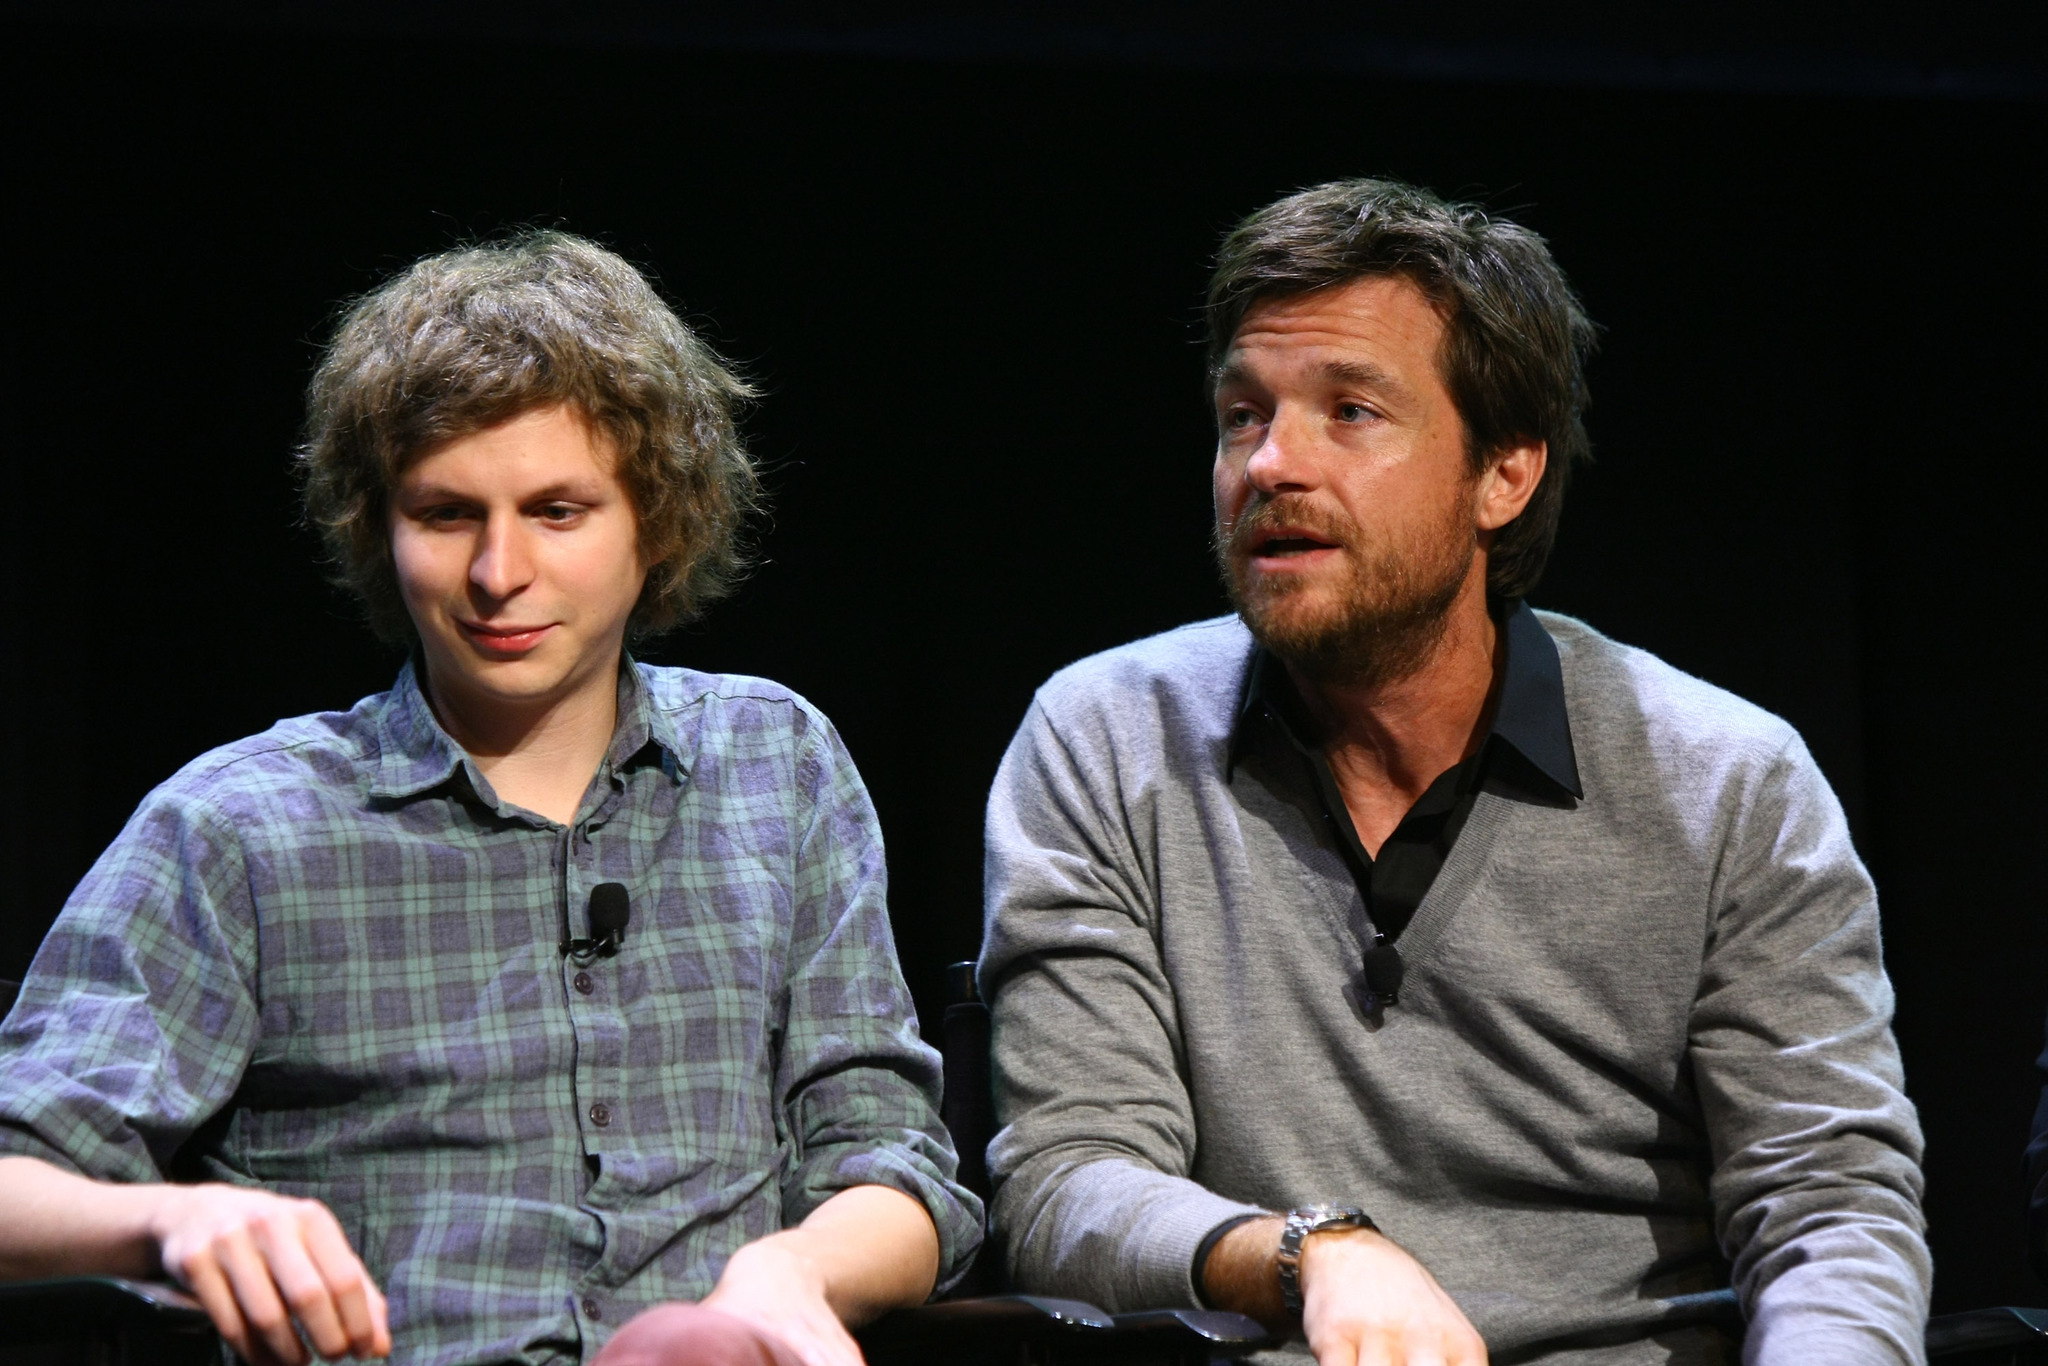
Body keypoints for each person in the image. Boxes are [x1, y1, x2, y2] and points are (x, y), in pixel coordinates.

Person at [979, 179, 1929, 1365]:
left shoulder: (1722, 780)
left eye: (1350, 412)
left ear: (1504, 472)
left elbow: (1825, 1207)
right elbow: (1068, 1177)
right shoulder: (1107, 738)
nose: (1271, 462)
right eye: (1240, 414)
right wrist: (1310, 1251)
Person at [0, 232, 980, 1366]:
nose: (496, 572)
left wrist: (788, 1273)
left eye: (557, 511)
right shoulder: (242, 823)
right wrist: (173, 1220)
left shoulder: (777, 762)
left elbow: (891, 1158)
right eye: (446, 513)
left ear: (652, 523)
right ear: (380, 527)